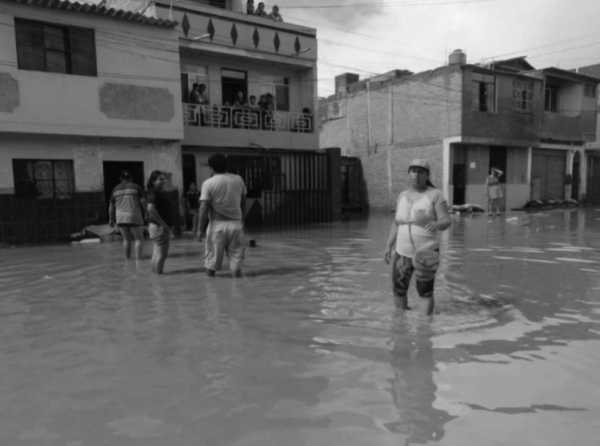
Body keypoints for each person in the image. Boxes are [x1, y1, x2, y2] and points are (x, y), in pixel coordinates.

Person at [384, 159, 451, 315]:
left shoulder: (435, 195)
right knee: (399, 290)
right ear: (409, 174)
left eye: (421, 171)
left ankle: (425, 329)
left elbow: (446, 220)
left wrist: (436, 224)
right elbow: (396, 223)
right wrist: (388, 246)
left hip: (426, 253)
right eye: (413, 171)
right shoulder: (402, 195)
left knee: (425, 292)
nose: (416, 174)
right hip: (402, 253)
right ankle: (401, 325)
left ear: (427, 175)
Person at [198, 154, 248, 278]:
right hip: (236, 225)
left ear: (211, 167)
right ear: (227, 165)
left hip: (217, 226)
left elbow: (203, 207)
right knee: (236, 264)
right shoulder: (238, 179)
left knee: (211, 265)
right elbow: (243, 202)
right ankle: (237, 289)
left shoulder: (208, 183)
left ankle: (211, 292)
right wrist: (242, 221)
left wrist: (199, 230)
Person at [108, 170, 146, 260]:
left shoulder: (115, 189)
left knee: (126, 239)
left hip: (120, 217)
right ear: (131, 178)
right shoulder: (136, 187)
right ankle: (139, 260)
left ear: (121, 179)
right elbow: (143, 202)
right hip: (134, 216)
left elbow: (111, 206)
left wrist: (111, 219)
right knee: (138, 239)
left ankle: (127, 260)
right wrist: (147, 213)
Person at [146, 171, 172, 274]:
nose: (163, 181)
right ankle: (159, 279)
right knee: (162, 255)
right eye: (160, 179)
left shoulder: (154, 192)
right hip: (159, 227)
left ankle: (155, 278)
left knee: (156, 253)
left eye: (164, 179)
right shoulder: (154, 192)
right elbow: (151, 209)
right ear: (153, 181)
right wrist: (163, 224)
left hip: (155, 227)